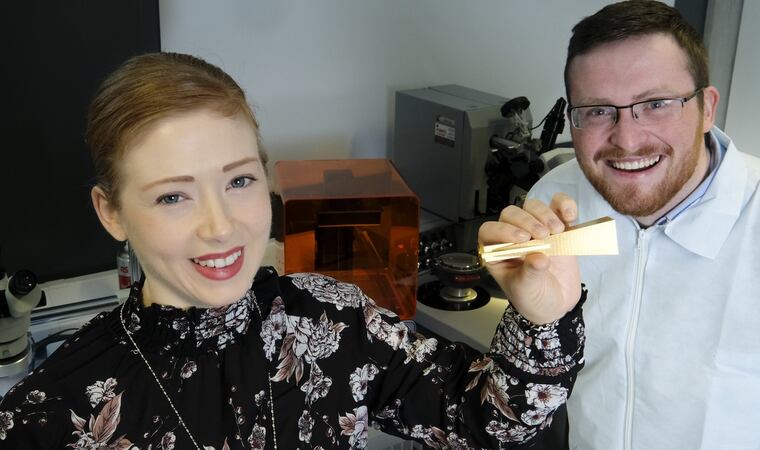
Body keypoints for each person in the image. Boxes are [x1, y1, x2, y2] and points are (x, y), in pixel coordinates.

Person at [0, 52, 586, 449]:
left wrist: (541, 318)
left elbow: (488, 421)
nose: (220, 227)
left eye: (238, 181)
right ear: (111, 212)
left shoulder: (331, 320)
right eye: (173, 196)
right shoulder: (52, 412)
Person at [483, 1, 760, 449]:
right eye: (597, 111)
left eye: (656, 104)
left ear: (707, 108)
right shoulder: (557, 199)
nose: (627, 140)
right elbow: (534, 382)